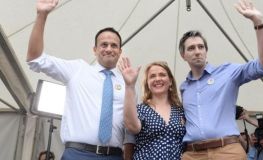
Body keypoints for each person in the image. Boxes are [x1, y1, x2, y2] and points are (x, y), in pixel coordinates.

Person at [27, 0, 134, 159]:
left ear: (120, 51)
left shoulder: (128, 82)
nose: (109, 49)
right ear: (95, 50)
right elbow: (35, 59)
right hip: (77, 154)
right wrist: (41, 15)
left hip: (114, 155)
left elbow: (130, 129)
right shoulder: (77, 69)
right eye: (104, 44)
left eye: (114, 45)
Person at [179, 0, 263, 159]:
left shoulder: (227, 72)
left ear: (206, 51)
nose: (197, 51)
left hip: (227, 151)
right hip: (193, 153)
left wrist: (259, 23)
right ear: (183, 55)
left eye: (201, 47)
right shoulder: (183, 87)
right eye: (191, 48)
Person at [118, 57, 186, 159]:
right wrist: (129, 85)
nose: (157, 79)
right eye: (152, 76)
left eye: (162, 75)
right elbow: (132, 127)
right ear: (147, 84)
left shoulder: (181, 110)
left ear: (170, 81)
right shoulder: (141, 109)